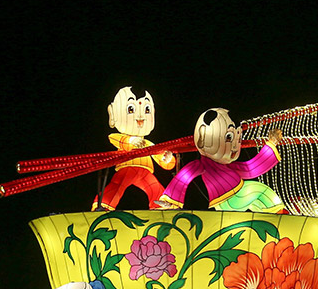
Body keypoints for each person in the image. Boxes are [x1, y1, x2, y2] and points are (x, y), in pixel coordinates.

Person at [157, 108, 286, 213]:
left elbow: (251, 168)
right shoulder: (200, 165)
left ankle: (276, 218)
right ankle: (282, 216)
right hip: (227, 198)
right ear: (202, 137)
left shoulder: (230, 166)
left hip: (234, 199)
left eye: (238, 138)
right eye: (229, 137)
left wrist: (271, 143)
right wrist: (170, 200)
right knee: (260, 191)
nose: (236, 146)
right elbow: (182, 179)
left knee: (260, 199)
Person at [96, 87, 177, 211]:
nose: (140, 117)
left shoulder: (149, 144)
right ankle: (103, 205)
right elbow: (116, 139)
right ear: (112, 115)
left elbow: (165, 162)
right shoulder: (119, 137)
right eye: (130, 109)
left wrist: (168, 159)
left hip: (145, 172)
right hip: (127, 168)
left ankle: (160, 206)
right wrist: (131, 140)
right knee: (118, 185)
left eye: (147, 109)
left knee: (155, 187)